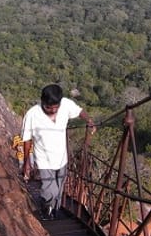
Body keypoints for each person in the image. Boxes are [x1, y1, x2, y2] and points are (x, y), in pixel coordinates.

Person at [21, 84, 96, 220]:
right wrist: (27, 162)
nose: (53, 110)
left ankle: (53, 211)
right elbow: (26, 140)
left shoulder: (66, 105)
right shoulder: (32, 114)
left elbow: (79, 111)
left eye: (56, 107)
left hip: (62, 159)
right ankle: (45, 211)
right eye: (49, 107)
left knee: (59, 190)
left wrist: (89, 120)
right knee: (50, 189)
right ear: (42, 102)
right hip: (44, 160)